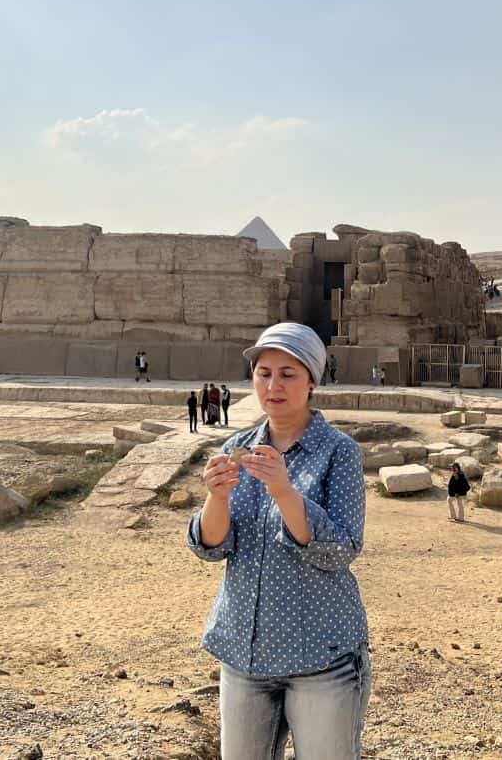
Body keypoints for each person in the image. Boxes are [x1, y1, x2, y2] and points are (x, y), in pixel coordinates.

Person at [187, 322, 370, 759]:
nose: (274, 385)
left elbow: (341, 549)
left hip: (320, 658)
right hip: (244, 656)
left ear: (311, 381)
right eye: (264, 372)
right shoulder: (238, 446)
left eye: (288, 374)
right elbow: (212, 547)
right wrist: (216, 497)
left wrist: (285, 492)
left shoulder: (338, 452)